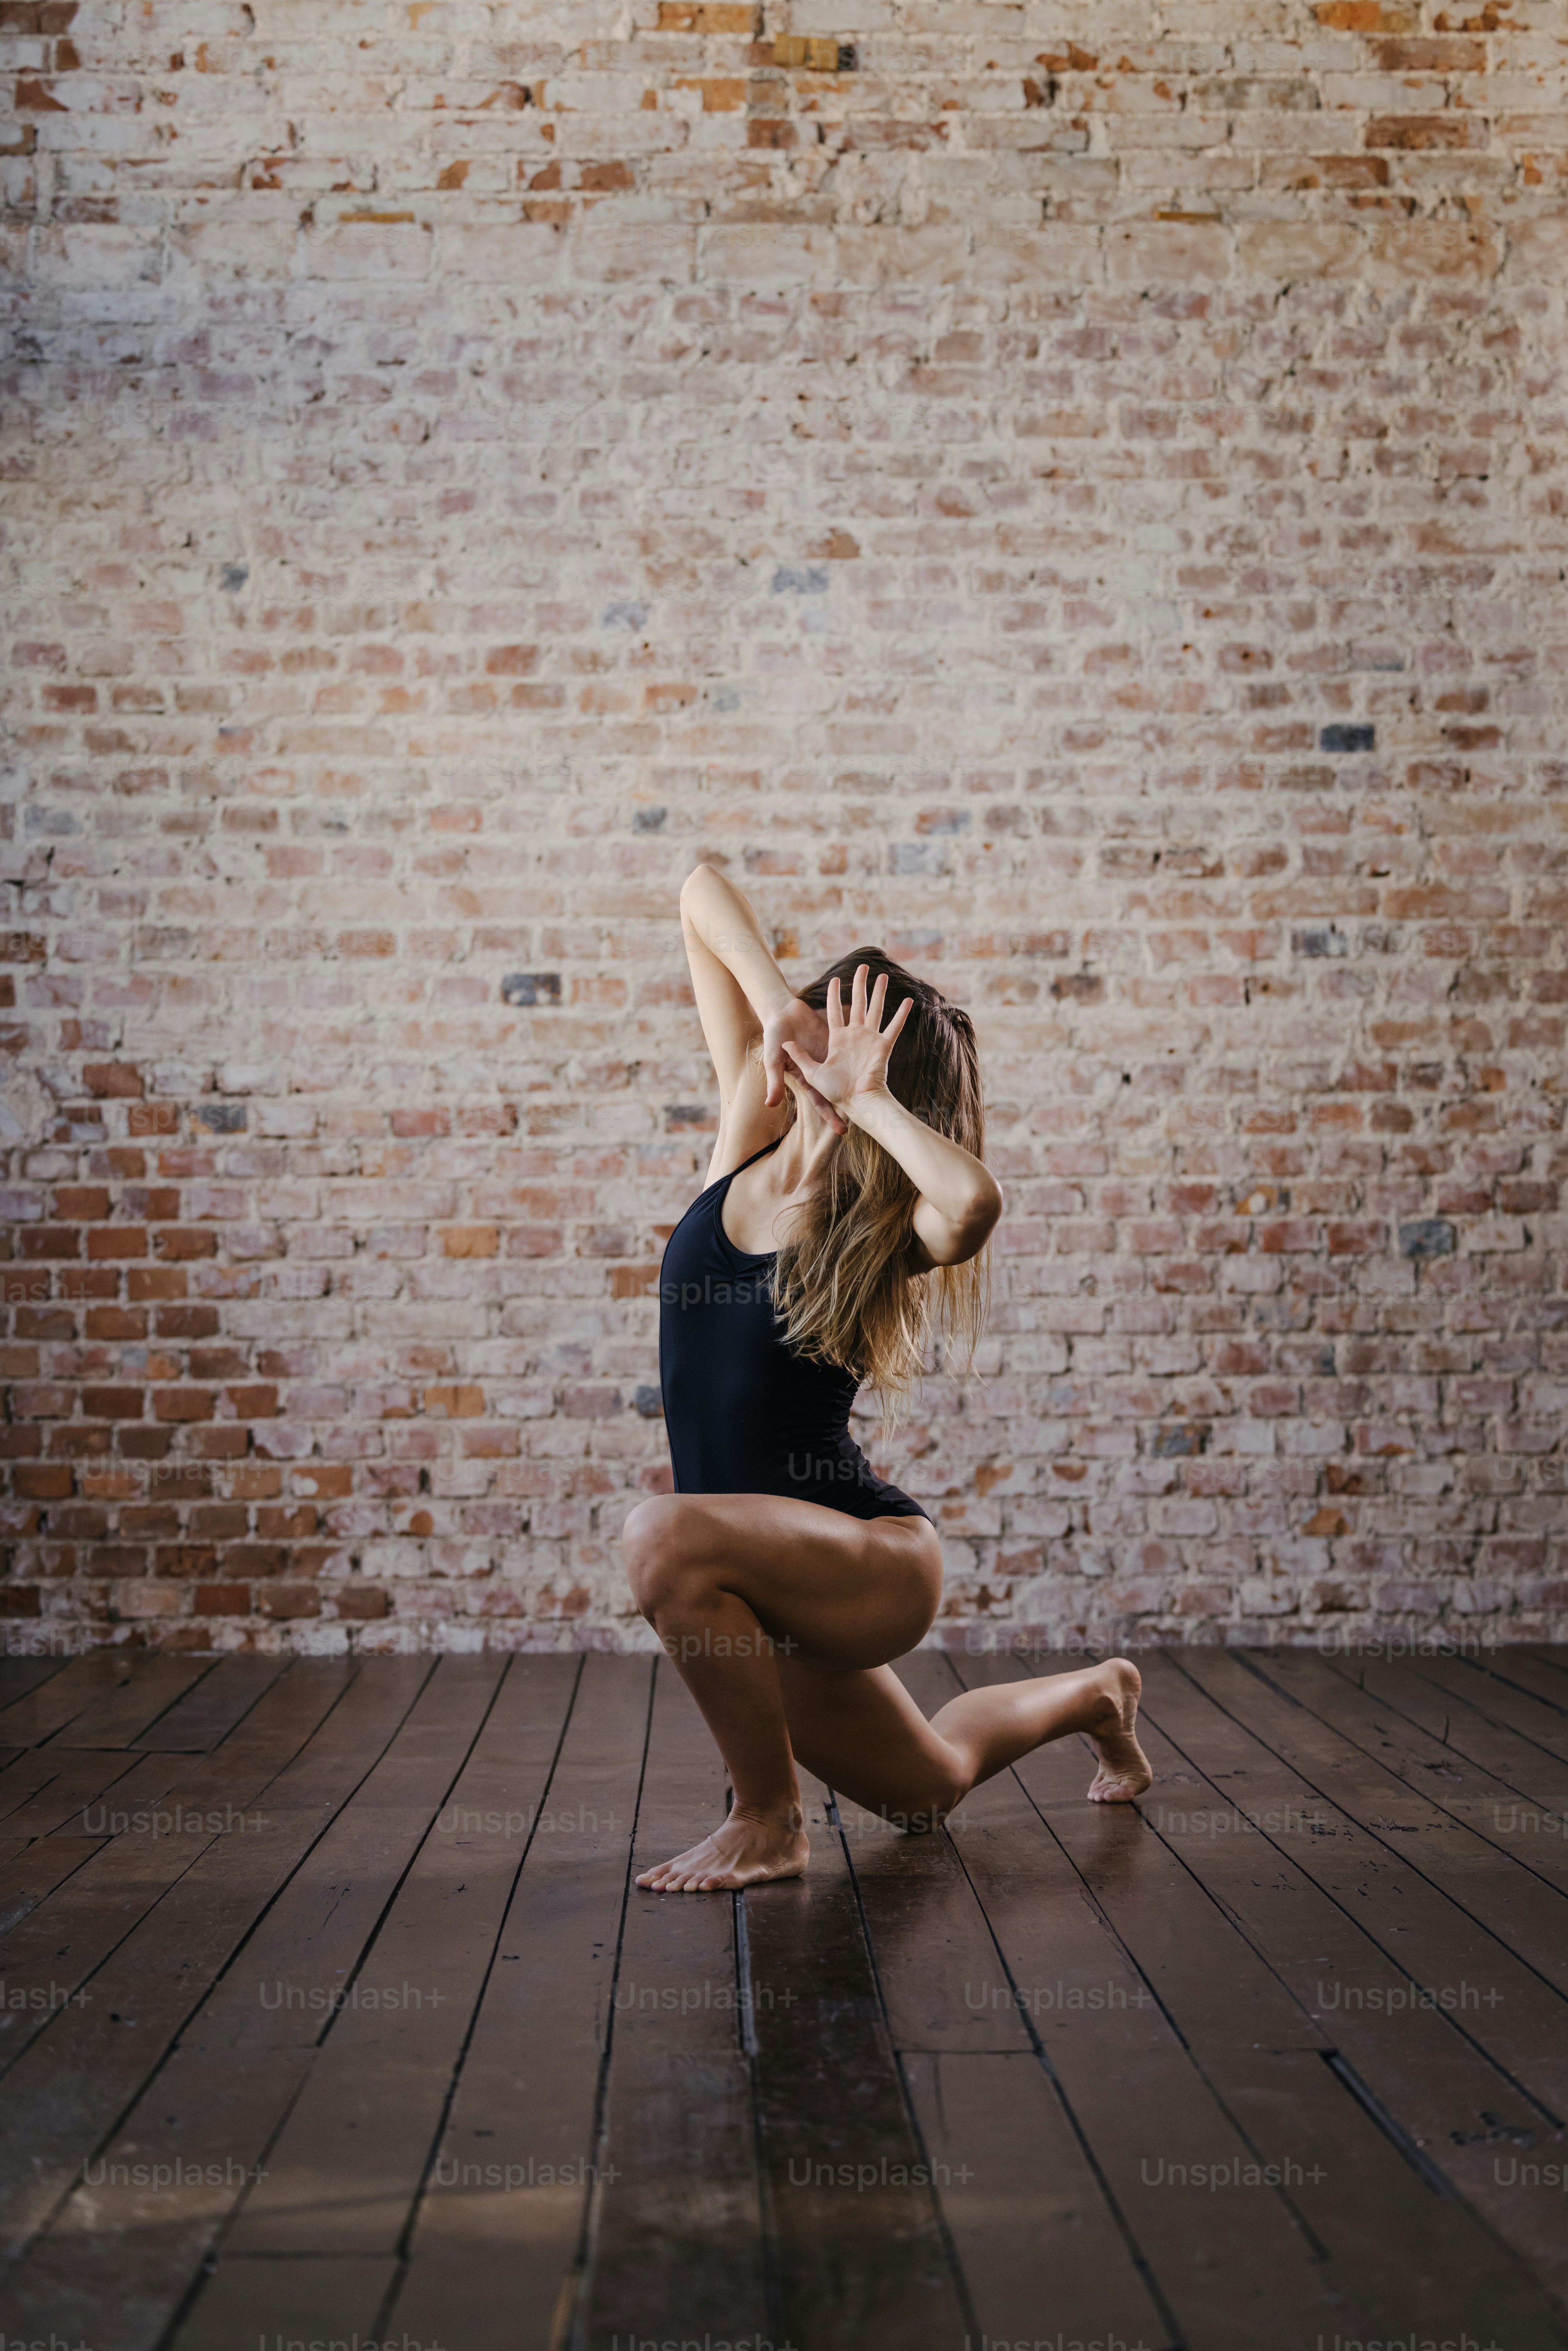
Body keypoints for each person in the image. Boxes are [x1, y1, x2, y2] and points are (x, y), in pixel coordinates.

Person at [622, 864, 1153, 1893]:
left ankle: (769, 1821)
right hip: (752, 1584)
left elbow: (973, 1205)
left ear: (889, 1083)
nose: (824, 1046)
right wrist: (777, 1005)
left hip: (869, 1561)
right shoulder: (749, 1127)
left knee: (657, 1536)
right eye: (827, 1019)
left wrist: (868, 1107)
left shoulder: (884, 1226)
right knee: (928, 1785)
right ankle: (1100, 1695)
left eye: (853, 1042)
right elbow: (696, 891)